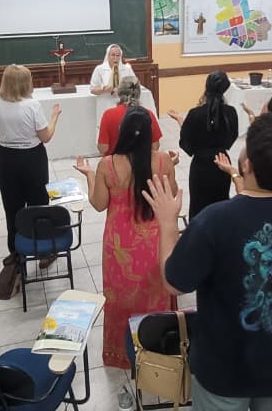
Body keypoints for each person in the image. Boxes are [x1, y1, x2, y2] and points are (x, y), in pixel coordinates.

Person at [151, 114, 272, 410]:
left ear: (246, 165)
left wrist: (168, 224)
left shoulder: (213, 220)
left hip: (224, 371)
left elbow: (173, 283)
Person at [73, 107, 178, 369]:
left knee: (120, 298)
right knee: (155, 293)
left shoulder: (107, 165)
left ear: (123, 133)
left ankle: (122, 352)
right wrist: (169, 170)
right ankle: (157, 352)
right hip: (155, 240)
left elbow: (99, 204)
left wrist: (89, 176)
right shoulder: (163, 160)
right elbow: (172, 196)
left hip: (119, 244)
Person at [0, 64, 62, 300]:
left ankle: (16, 252)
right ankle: (44, 250)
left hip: (7, 158)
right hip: (32, 158)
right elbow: (46, 137)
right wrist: (55, 117)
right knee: (39, 203)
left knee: (12, 206)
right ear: (25, 83)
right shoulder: (32, 105)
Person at [172, 71, 238, 220]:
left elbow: (186, 143)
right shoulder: (231, 112)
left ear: (206, 87)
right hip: (223, 163)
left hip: (200, 165)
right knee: (221, 203)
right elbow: (232, 137)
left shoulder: (195, 114)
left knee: (198, 206)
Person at [97, 77, 161, 155]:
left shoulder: (108, 114)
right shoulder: (148, 114)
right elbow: (155, 146)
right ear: (138, 93)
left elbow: (103, 148)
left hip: (115, 161)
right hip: (140, 161)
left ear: (119, 92)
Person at [90, 44, 137, 125]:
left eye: (118, 55)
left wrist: (123, 90)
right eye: (113, 55)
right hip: (106, 105)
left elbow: (135, 86)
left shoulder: (127, 69)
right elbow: (93, 89)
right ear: (108, 56)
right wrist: (104, 89)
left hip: (123, 105)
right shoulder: (99, 69)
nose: (115, 58)